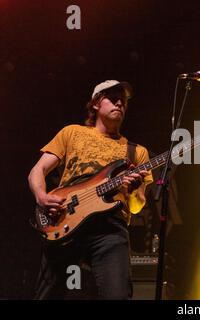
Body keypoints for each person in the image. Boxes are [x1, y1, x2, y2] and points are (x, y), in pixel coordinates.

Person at [28, 80, 152, 299]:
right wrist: (42, 197)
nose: (119, 102)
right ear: (95, 103)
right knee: (49, 295)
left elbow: (136, 206)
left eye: (122, 99)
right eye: (112, 97)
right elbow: (38, 170)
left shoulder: (136, 152)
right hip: (66, 220)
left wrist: (132, 191)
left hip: (110, 229)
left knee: (118, 294)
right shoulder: (72, 133)